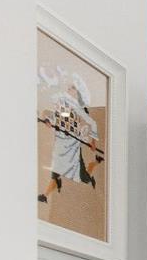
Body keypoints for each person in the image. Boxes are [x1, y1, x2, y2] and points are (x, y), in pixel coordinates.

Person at [38, 69, 104, 206]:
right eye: (69, 87)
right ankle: (44, 195)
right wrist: (48, 120)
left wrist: (92, 141)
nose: (69, 90)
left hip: (72, 145)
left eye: (73, 88)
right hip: (60, 141)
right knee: (56, 170)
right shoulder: (61, 102)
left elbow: (92, 123)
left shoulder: (79, 108)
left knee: (83, 177)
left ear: (78, 91)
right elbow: (55, 116)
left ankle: (95, 163)